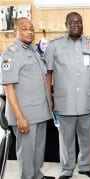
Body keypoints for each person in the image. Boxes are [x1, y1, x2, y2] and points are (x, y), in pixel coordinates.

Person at [45, 12, 90, 179]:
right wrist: (49, 98)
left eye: (79, 22)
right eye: (72, 22)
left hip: (87, 100)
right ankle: (67, 169)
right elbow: (48, 74)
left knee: (86, 137)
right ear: (66, 24)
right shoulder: (54, 46)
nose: (76, 24)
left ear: (82, 24)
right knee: (66, 139)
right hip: (65, 102)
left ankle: (84, 166)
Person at [0, 17, 54, 179]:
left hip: (40, 111)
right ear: (15, 31)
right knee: (26, 152)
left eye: (31, 29)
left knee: (38, 149)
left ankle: (37, 174)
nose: (29, 32)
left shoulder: (33, 50)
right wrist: (19, 117)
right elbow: (9, 89)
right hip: (25, 114)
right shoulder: (10, 55)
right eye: (24, 28)